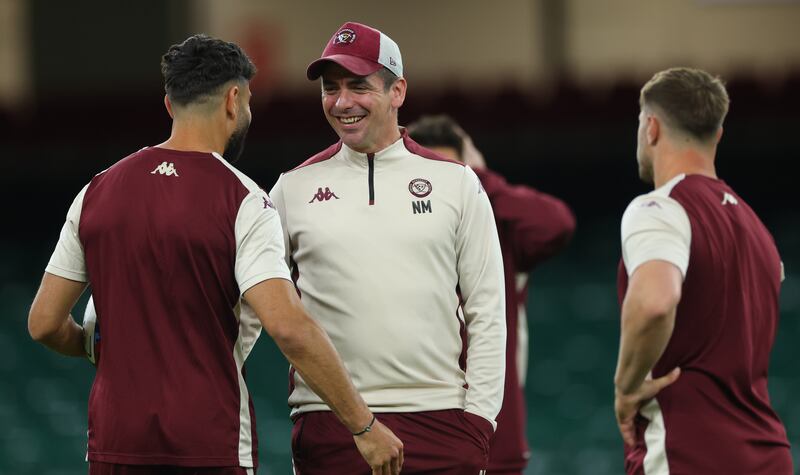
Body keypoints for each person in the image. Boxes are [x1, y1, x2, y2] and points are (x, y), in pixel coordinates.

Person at [27, 34, 403, 475]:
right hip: (209, 443)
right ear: (233, 99)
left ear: (170, 105)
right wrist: (363, 426)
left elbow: (43, 324)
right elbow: (288, 327)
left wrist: (101, 350)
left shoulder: (97, 191)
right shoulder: (243, 200)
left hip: (114, 442)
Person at [269, 22, 506, 474]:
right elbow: (250, 310)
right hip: (331, 426)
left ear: (397, 92)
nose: (342, 102)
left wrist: (480, 420)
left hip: (443, 421)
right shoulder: (290, 189)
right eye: (330, 88)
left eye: (359, 86)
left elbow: (487, 309)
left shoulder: (457, 183)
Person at [614, 67, 793, 474]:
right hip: (769, 454)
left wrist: (626, 388)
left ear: (651, 128)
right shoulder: (758, 231)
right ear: (718, 135)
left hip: (691, 452)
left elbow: (656, 302)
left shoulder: (657, 209)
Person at [407, 115, 575, 475]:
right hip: (419, 431)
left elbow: (556, 223)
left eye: (454, 170)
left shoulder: (500, 229)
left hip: (497, 435)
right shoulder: (399, 237)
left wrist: (476, 183)